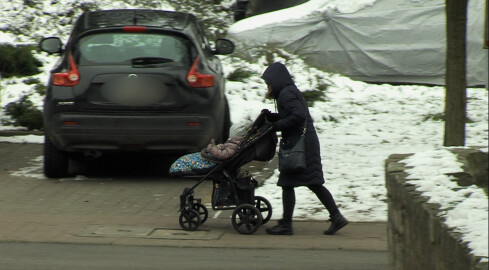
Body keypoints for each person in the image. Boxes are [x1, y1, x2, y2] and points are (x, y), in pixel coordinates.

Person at [261, 62, 348, 235]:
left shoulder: (286, 94)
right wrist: (274, 117)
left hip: (300, 144)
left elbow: (298, 116)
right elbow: (293, 114)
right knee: (310, 182)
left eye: (269, 83)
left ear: (276, 81)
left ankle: (287, 225)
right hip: (303, 142)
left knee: (290, 182)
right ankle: (336, 217)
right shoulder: (287, 92)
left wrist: (275, 125)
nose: (268, 87)